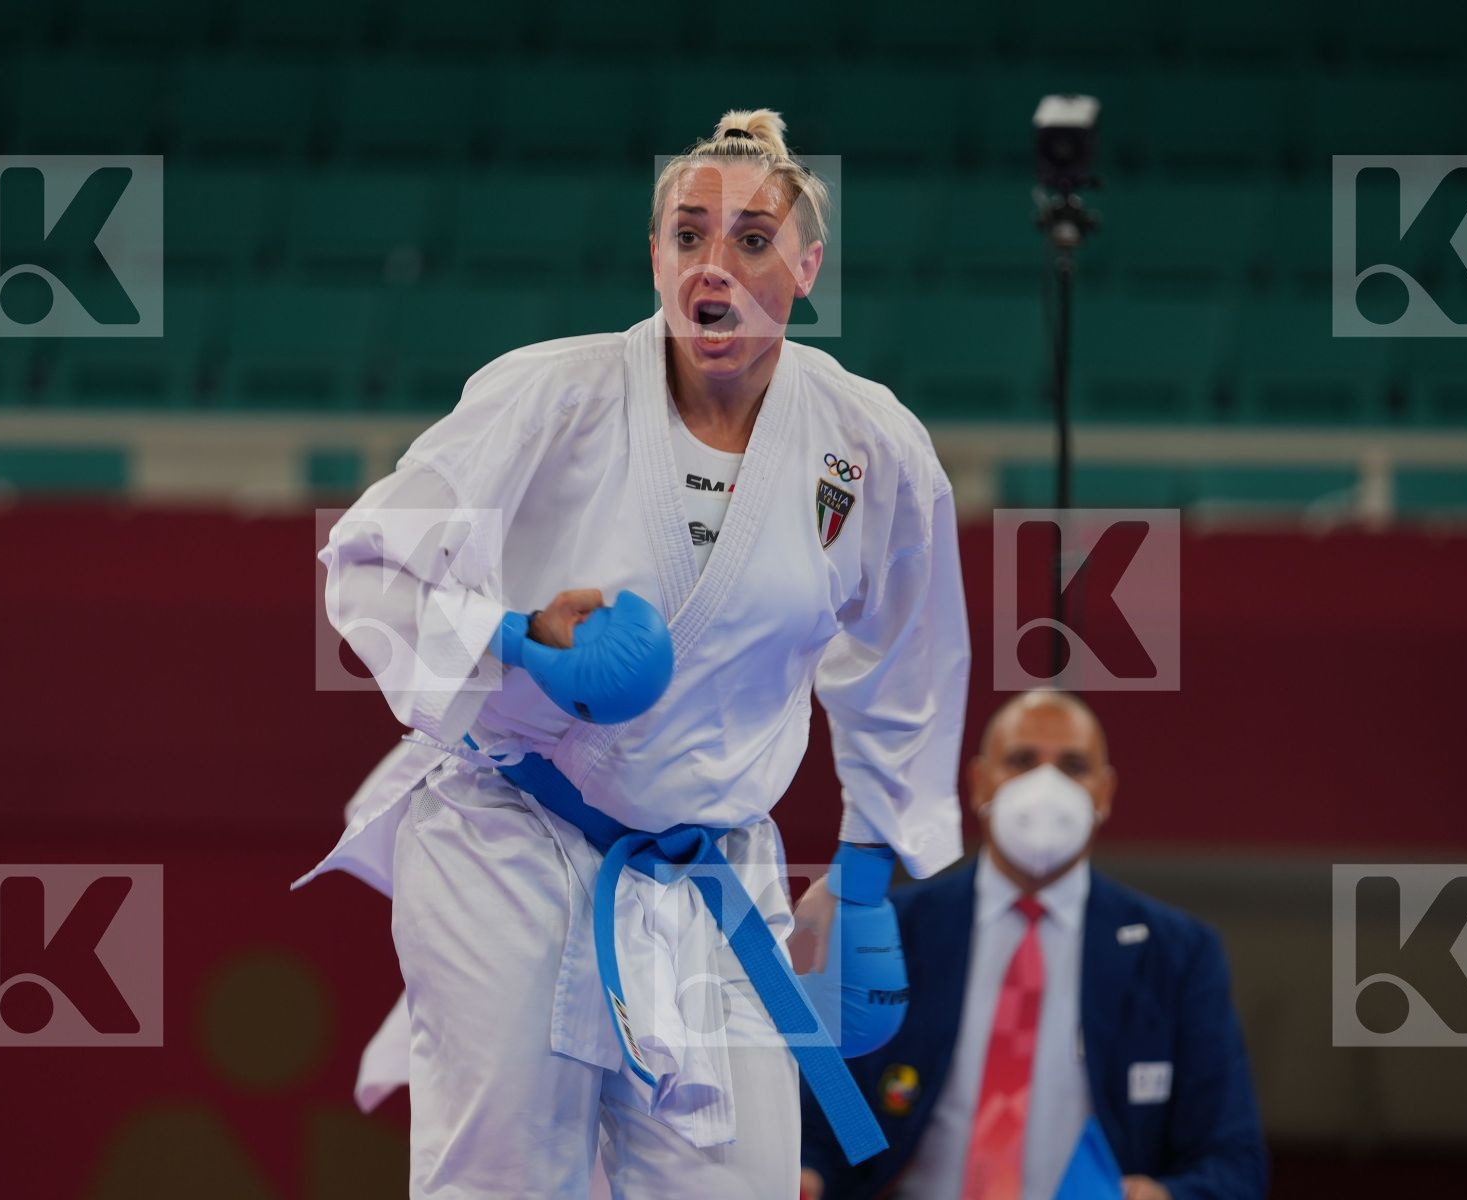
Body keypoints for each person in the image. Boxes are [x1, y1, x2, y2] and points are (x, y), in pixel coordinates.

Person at [293, 108, 972, 1198]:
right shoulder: (550, 394)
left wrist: (866, 866)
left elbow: (908, 664)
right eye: (688, 233)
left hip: (713, 871)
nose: (718, 263)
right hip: (509, 837)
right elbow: (370, 559)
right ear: (654, 257)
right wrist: (516, 640)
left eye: (753, 239)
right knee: (507, 1179)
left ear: (806, 266)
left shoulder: (871, 444)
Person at [799, 692, 1267, 1200]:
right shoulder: (893, 933)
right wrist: (803, 1177)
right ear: (979, 783)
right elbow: (822, 1128)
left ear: (1104, 794)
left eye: (1073, 766)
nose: (1046, 787)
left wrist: (1164, 1195)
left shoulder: (1177, 956)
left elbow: (1232, 1160)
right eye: (1022, 761)